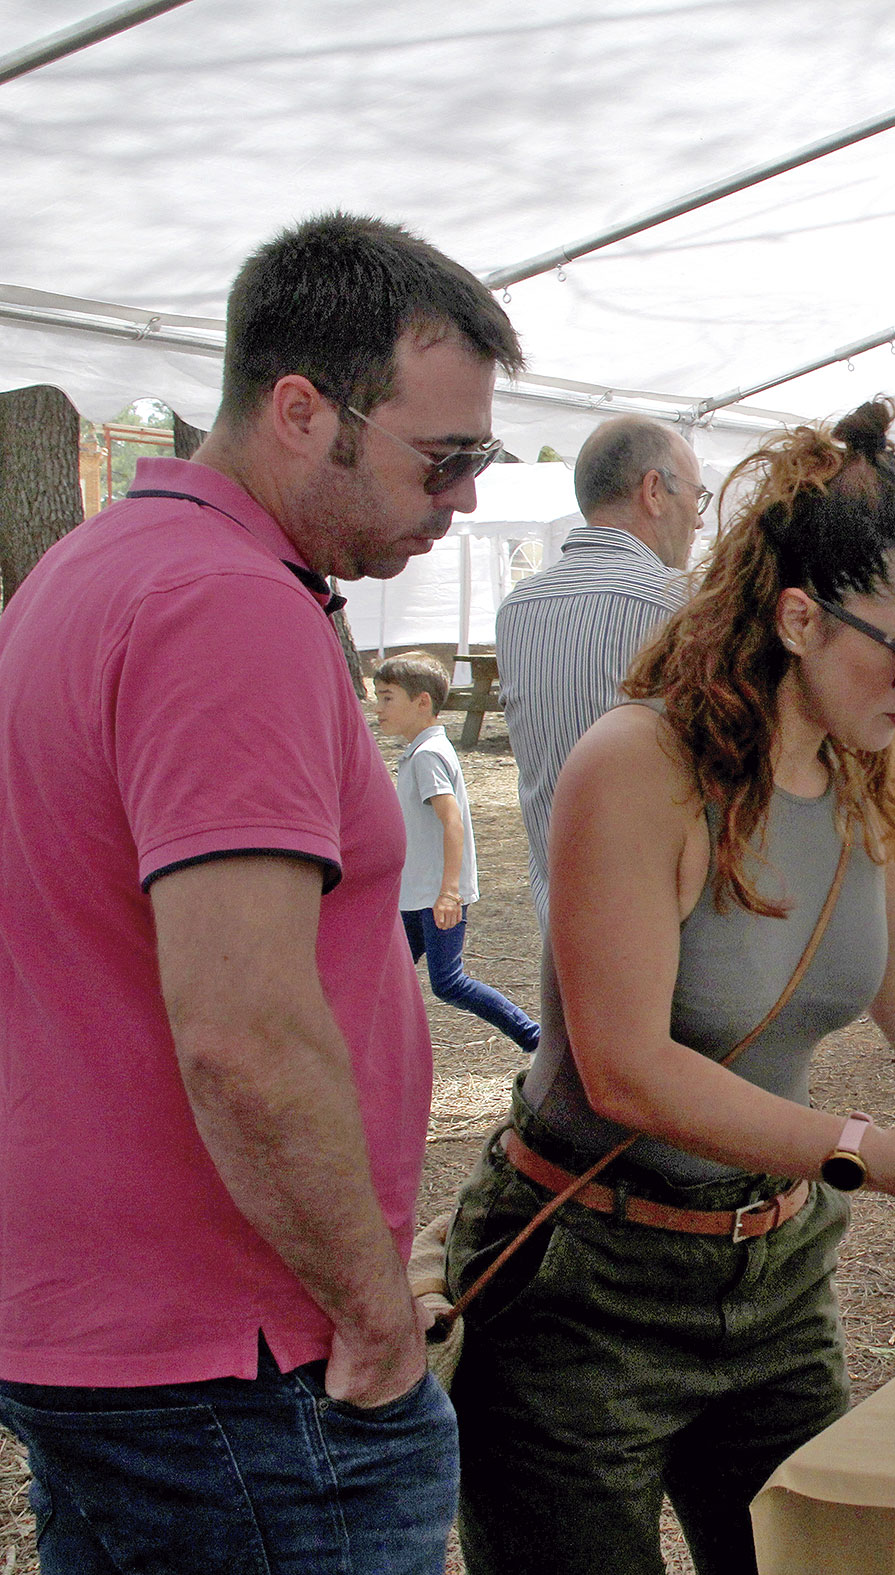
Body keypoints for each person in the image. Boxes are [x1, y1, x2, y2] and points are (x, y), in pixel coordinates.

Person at [445, 399, 895, 1575]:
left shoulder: (872, 756)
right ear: (796, 616)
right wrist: (869, 1151)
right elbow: (622, 1067)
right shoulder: (636, 767)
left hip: (773, 1273)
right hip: (584, 1284)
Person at [0, 212, 521, 1571]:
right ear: (302, 410)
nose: (463, 496)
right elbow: (239, 1025)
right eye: (445, 457)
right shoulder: (223, 603)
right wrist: (369, 1310)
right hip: (234, 1349)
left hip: (111, 1328)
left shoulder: (91, 569)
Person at [498, 414, 701, 926]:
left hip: (561, 924)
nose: (699, 521)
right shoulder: (684, 607)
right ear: (654, 491)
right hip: (667, 936)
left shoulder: (518, 608)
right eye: (698, 498)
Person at [373, 651, 541, 1053]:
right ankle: (372, 1055)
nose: (378, 708)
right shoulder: (420, 751)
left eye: (387, 697)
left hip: (434, 896)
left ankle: (535, 1037)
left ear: (422, 702)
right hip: (416, 895)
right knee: (380, 977)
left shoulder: (429, 755)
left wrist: (449, 892)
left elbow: (452, 822)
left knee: (448, 982)